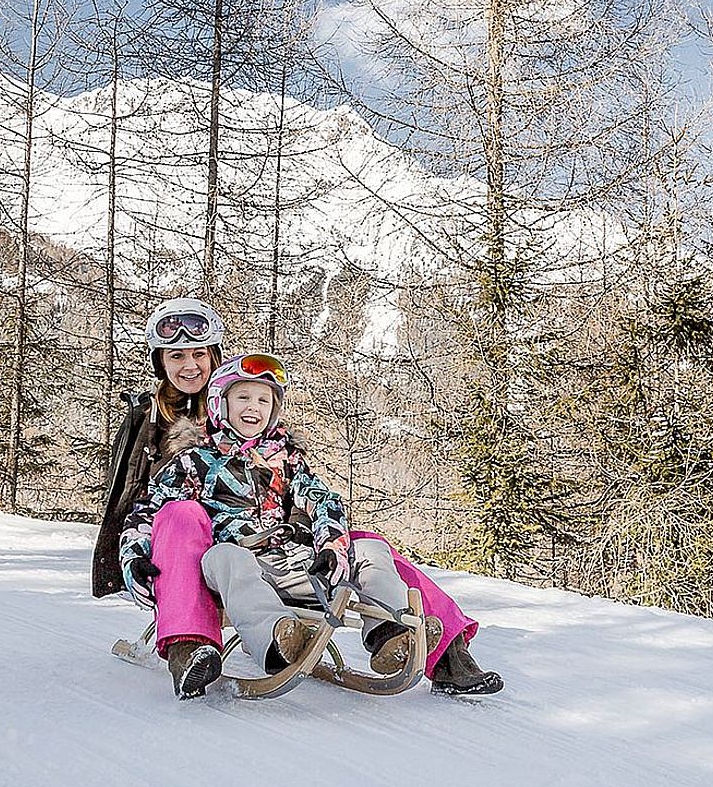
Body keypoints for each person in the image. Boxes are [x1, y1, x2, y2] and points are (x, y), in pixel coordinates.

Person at [91, 297, 502, 698]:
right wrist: (134, 552)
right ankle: (190, 646)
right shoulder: (152, 422)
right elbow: (135, 500)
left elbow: (311, 493)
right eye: (175, 356)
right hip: (192, 547)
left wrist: (321, 536)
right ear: (160, 362)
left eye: (198, 353)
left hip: (281, 542)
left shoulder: (265, 426)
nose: (189, 365)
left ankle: (430, 644)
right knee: (184, 517)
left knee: (369, 549)